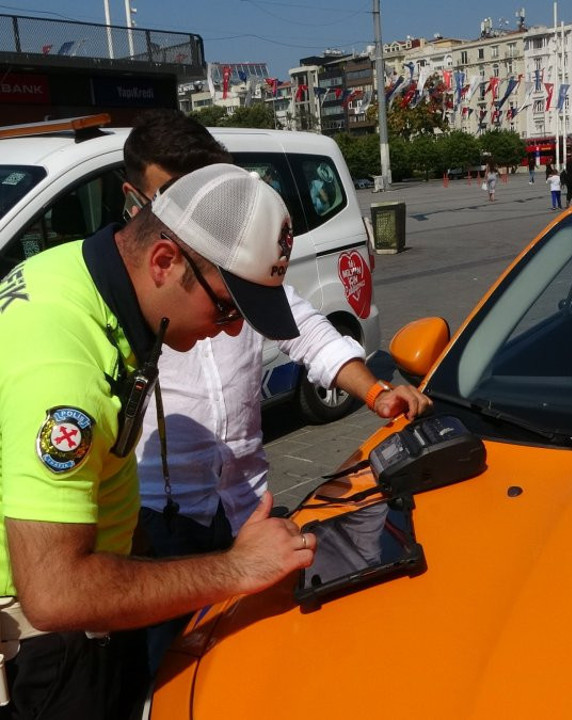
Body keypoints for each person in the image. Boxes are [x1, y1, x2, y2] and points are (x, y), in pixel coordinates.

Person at [0, 162, 314, 719]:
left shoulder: (87, 278)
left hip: (70, 624)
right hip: (37, 656)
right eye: (227, 307)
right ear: (164, 261)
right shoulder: (60, 367)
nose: (229, 330)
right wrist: (237, 568)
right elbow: (56, 592)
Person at [122, 110, 431, 664]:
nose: (196, 216)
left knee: (255, 650)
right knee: (171, 662)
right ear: (134, 201)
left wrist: (376, 393)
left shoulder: (240, 266)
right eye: (174, 197)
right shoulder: (129, 292)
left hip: (246, 504)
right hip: (160, 519)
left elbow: (309, 333)